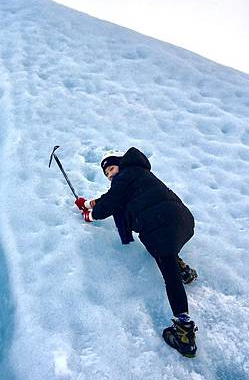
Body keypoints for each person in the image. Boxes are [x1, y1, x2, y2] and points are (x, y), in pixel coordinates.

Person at [75, 147, 198, 358]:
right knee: (166, 250)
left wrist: (90, 216)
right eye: (107, 174)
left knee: (169, 275)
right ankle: (182, 269)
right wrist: (88, 203)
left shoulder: (124, 177)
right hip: (182, 221)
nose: (110, 174)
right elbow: (113, 197)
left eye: (112, 168)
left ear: (121, 165)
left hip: (160, 225)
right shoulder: (138, 174)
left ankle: (185, 333)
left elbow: (111, 203)